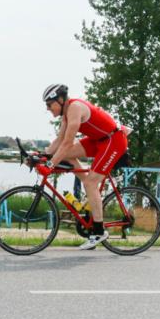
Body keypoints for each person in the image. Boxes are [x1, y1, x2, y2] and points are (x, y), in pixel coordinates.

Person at [38, 83, 130, 250]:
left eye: (49, 104)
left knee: (89, 183)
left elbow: (66, 143)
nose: (48, 109)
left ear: (60, 99)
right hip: (98, 140)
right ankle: (91, 188)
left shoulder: (74, 108)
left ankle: (99, 231)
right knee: (67, 158)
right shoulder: (66, 114)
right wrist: (41, 156)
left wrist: (50, 165)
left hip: (113, 140)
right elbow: (59, 142)